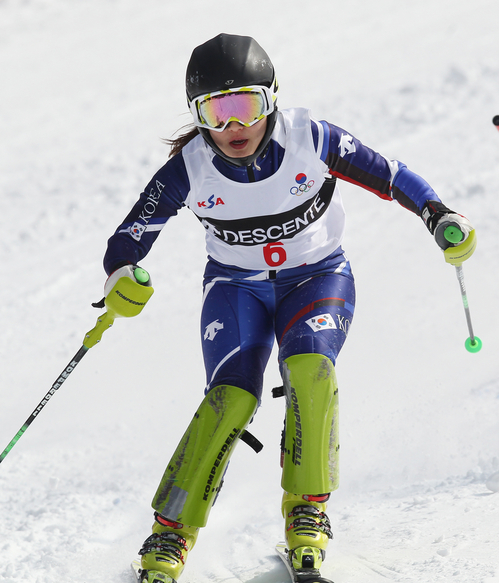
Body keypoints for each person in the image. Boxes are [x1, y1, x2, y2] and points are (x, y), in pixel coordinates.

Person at [102, 33, 476, 583]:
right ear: (197, 115)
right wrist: (120, 276)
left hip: (319, 276)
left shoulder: (311, 138)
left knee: (309, 367)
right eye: (216, 111)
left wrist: (439, 215)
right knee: (232, 397)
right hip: (237, 286)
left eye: (246, 105)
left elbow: (392, 176)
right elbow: (130, 236)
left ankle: (307, 510)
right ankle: (170, 532)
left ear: (272, 99)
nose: (233, 127)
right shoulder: (191, 166)